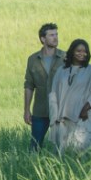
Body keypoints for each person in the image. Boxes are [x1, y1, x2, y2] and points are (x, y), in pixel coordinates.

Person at [48, 38, 91, 156]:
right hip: (62, 118)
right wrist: (55, 115)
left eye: (85, 51)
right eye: (78, 51)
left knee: (82, 150)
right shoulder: (61, 71)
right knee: (62, 152)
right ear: (72, 51)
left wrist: (86, 108)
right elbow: (53, 93)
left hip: (81, 118)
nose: (82, 54)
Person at [23, 22, 64, 152]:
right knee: (34, 146)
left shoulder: (65, 57)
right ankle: (33, 168)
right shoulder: (33, 59)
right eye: (51, 35)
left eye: (56, 34)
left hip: (61, 110)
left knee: (60, 146)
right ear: (43, 39)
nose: (55, 37)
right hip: (40, 110)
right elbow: (29, 85)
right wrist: (26, 109)